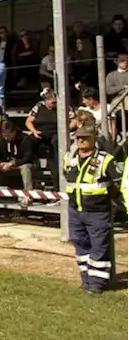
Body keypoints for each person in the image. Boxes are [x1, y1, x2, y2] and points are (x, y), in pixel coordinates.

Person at [64, 124, 120, 294]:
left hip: (98, 212)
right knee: (80, 244)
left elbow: (118, 183)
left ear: (94, 139)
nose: (81, 140)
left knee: (99, 246)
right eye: (78, 137)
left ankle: (96, 284)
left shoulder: (106, 159)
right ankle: (86, 279)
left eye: (85, 137)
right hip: (75, 211)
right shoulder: (69, 158)